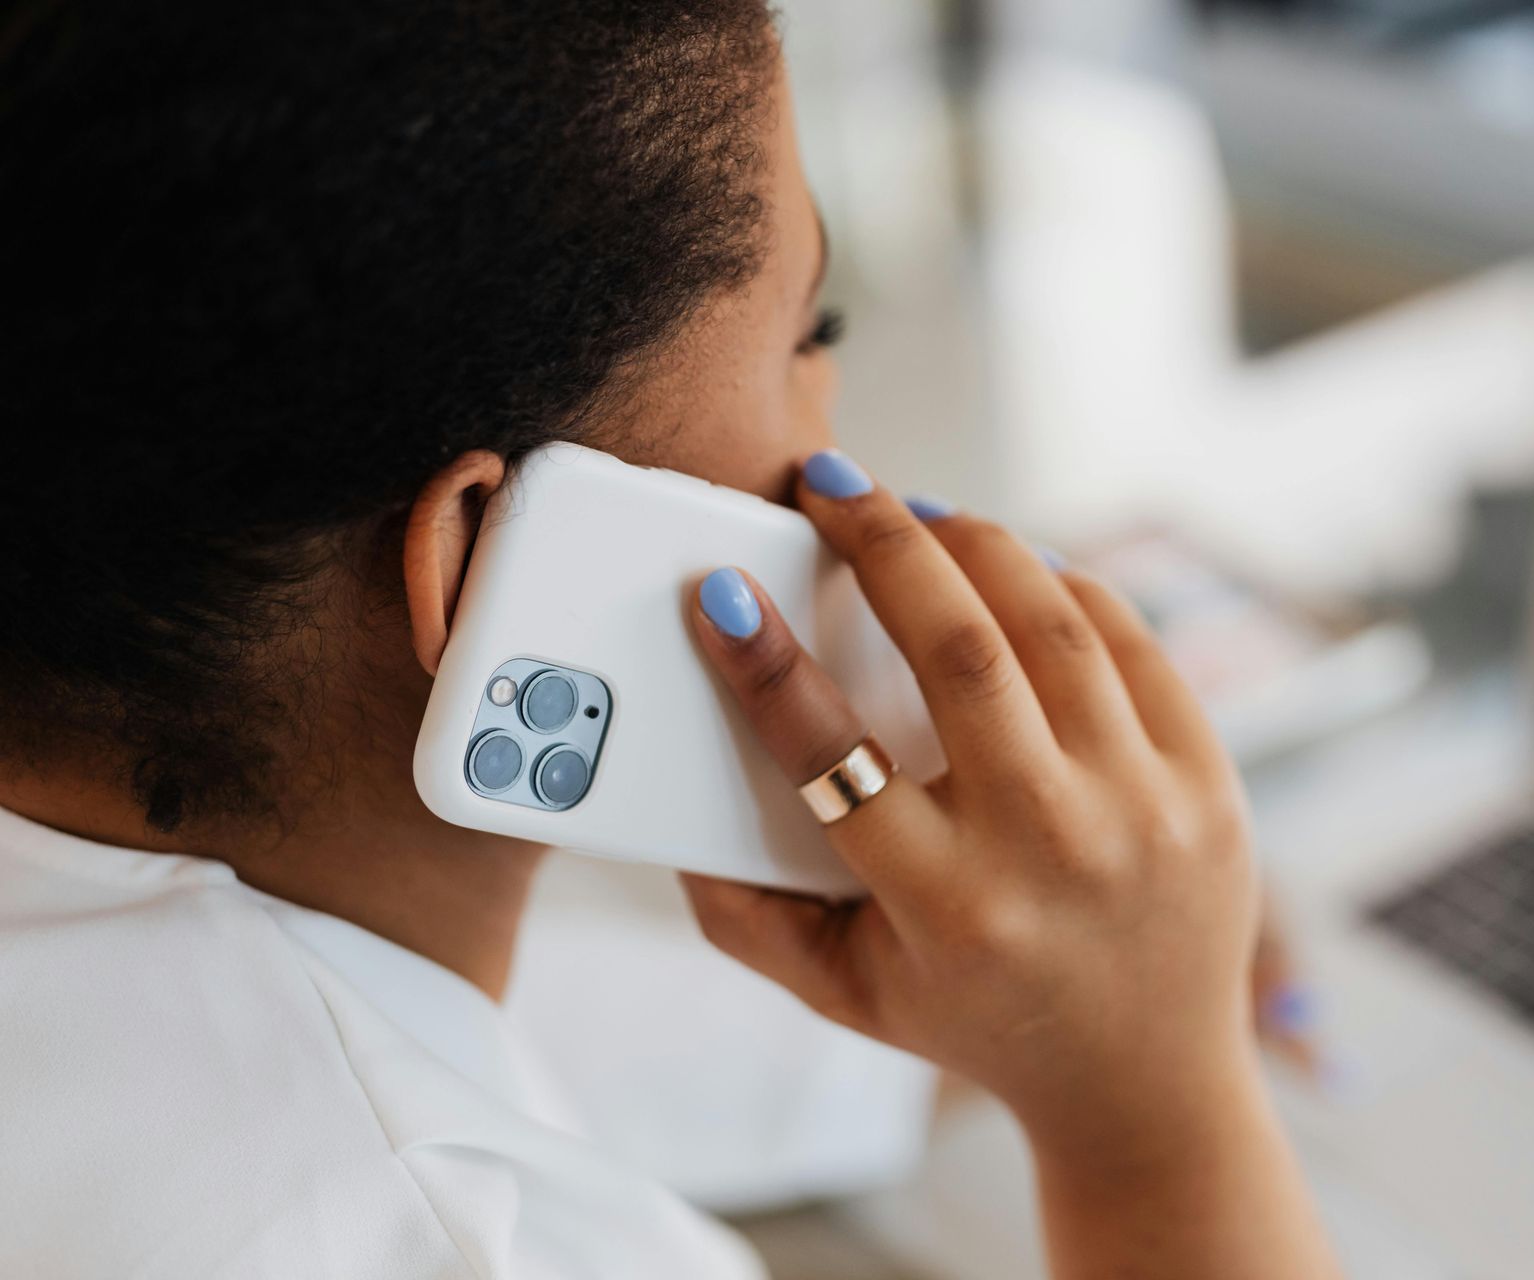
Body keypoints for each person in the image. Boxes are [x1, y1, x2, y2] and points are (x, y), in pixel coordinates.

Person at [0, 2, 1340, 1277]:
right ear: (477, 562)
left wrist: (1059, 1010)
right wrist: (1154, 1127)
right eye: (807, 334)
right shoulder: (456, 1241)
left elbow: (509, 1041)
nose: (835, 427)